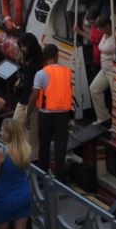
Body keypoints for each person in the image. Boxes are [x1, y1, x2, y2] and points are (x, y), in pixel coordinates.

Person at [33, 41, 75, 176]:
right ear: (57, 55)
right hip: (63, 114)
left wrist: (28, 114)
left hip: (45, 114)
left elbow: (34, 95)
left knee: (44, 145)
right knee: (60, 147)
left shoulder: (41, 73)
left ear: (45, 57)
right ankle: (61, 178)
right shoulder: (67, 72)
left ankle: (42, 175)